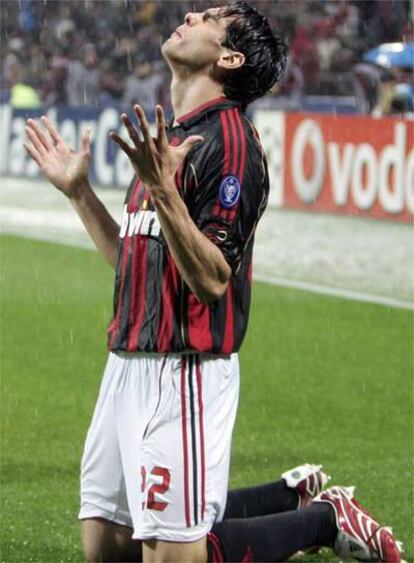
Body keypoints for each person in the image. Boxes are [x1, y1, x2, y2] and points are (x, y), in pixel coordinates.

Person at [24, 2, 402, 562]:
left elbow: (213, 282)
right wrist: (81, 193)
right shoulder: (171, 137)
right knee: (109, 550)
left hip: (185, 371)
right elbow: (136, 261)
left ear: (230, 56)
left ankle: (324, 520)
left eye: (211, 17)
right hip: (126, 361)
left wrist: (164, 192)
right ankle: (286, 496)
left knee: (175, 558)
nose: (193, 12)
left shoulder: (231, 141)